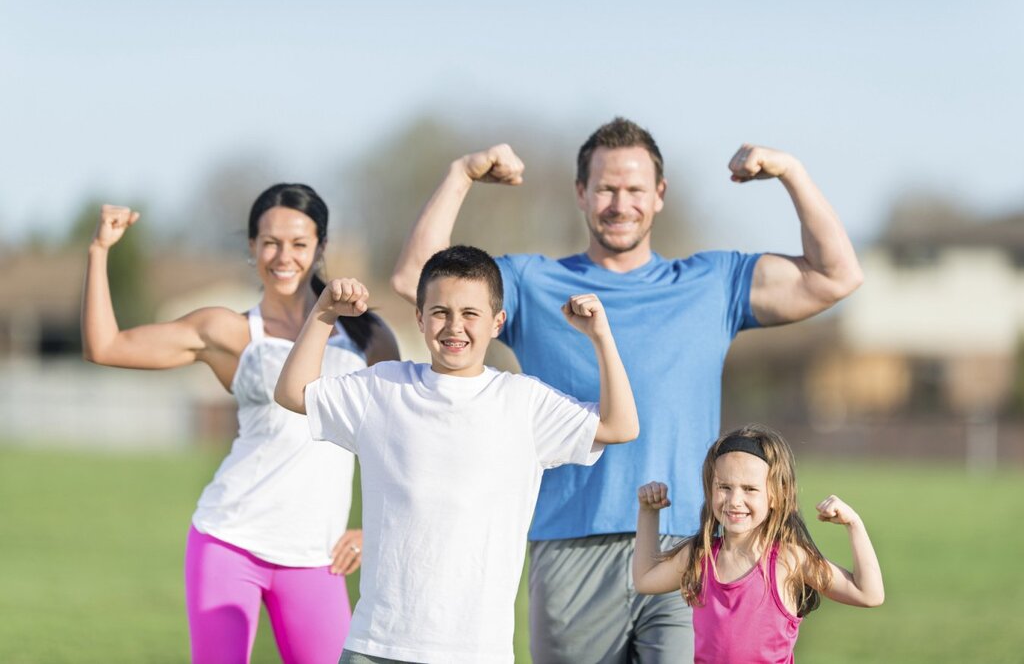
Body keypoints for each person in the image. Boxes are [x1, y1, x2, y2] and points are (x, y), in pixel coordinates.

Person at [390, 117, 864, 662]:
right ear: (581, 194)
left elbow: (836, 276)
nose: (620, 203)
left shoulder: (712, 283)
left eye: (635, 189)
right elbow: (415, 281)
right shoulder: (529, 283)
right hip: (570, 543)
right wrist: (461, 173)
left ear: (659, 195)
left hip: (692, 546)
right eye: (606, 188)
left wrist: (791, 172)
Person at [274, 245, 640, 664]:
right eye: (440, 312)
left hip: (477, 650)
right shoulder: (383, 388)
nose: (454, 326)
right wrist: (323, 313)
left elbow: (620, 425)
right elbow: (292, 393)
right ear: (420, 317)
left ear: (497, 322)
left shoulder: (523, 402)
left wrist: (601, 337)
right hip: (378, 643)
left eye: (470, 314)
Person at [81, 184, 400, 664]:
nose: (283, 255)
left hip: (317, 555)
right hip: (229, 538)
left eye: (298, 243)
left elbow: (398, 442)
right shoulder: (227, 331)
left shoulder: (368, 336)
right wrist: (99, 251)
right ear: (252, 247)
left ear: (321, 247)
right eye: (270, 242)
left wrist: (373, 529)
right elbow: (105, 346)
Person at [632, 424, 884, 663]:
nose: (735, 500)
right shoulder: (699, 556)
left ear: (776, 495)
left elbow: (868, 594)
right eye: (725, 487)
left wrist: (854, 524)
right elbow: (645, 579)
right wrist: (648, 513)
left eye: (750, 489)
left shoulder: (789, 559)